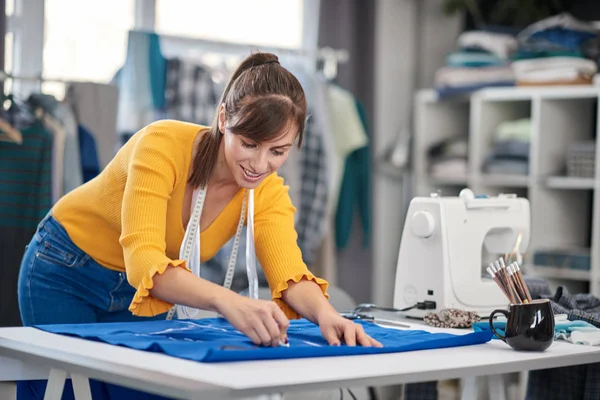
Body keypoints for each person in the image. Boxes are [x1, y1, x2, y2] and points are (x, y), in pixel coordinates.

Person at [17, 52, 381, 349]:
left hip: (136, 295)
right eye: (249, 144)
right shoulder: (160, 146)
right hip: (65, 269)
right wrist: (229, 301)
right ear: (224, 119)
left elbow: (289, 274)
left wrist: (328, 315)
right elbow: (145, 262)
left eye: (278, 151)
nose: (259, 165)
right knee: (70, 388)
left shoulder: (266, 192)